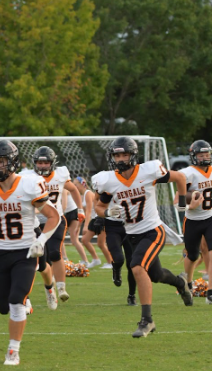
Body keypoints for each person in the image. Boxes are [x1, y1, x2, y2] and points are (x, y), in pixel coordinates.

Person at [93, 137, 192, 338]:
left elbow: (180, 178)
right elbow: (99, 206)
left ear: (133, 155)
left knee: (136, 266)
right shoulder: (109, 180)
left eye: (124, 154)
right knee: (155, 275)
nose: (120, 159)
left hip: (153, 231)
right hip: (133, 235)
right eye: (117, 155)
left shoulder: (148, 171)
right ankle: (181, 283)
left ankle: (147, 320)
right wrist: (108, 213)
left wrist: (182, 205)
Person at [0, 140, 60, 365]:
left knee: (15, 301)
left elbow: (54, 216)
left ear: (11, 161)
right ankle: (22, 306)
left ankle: (13, 350)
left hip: (25, 252)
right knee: (3, 307)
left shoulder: (29, 185)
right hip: (0, 252)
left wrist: (41, 240)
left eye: (1, 161)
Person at [30, 146, 84, 302]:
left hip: (57, 219)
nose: (42, 166)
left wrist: (80, 209)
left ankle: (61, 288)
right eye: (39, 163)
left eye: (45, 163)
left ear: (52, 163)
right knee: (41, 259)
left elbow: (73, 190)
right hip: (35, 222)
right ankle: (49, 287)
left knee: (55, 253)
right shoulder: (28, 177)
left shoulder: (60, 175)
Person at [178, 140, 212, 303]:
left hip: (210, 217)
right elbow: (177, 199)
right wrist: (190, 204)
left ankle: (211, 292)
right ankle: (188, 283)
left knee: (212, 253)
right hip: (192, 220)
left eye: (207, 154)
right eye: (201, 155)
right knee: (192, 255)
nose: (204, 157)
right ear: (194, 156)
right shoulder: (188, 173)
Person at [73, 177, 113, 269]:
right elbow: (83, 213)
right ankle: (96, 259)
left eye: (76, 185)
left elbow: (89, 211)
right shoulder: (82, 196)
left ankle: (110, 263)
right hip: (94, 220)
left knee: (100, 243)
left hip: (100, 219)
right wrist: (78, 227)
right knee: (85, 240)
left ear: (82, 184)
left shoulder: (88, 193)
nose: (75, 187)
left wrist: (85, 226)